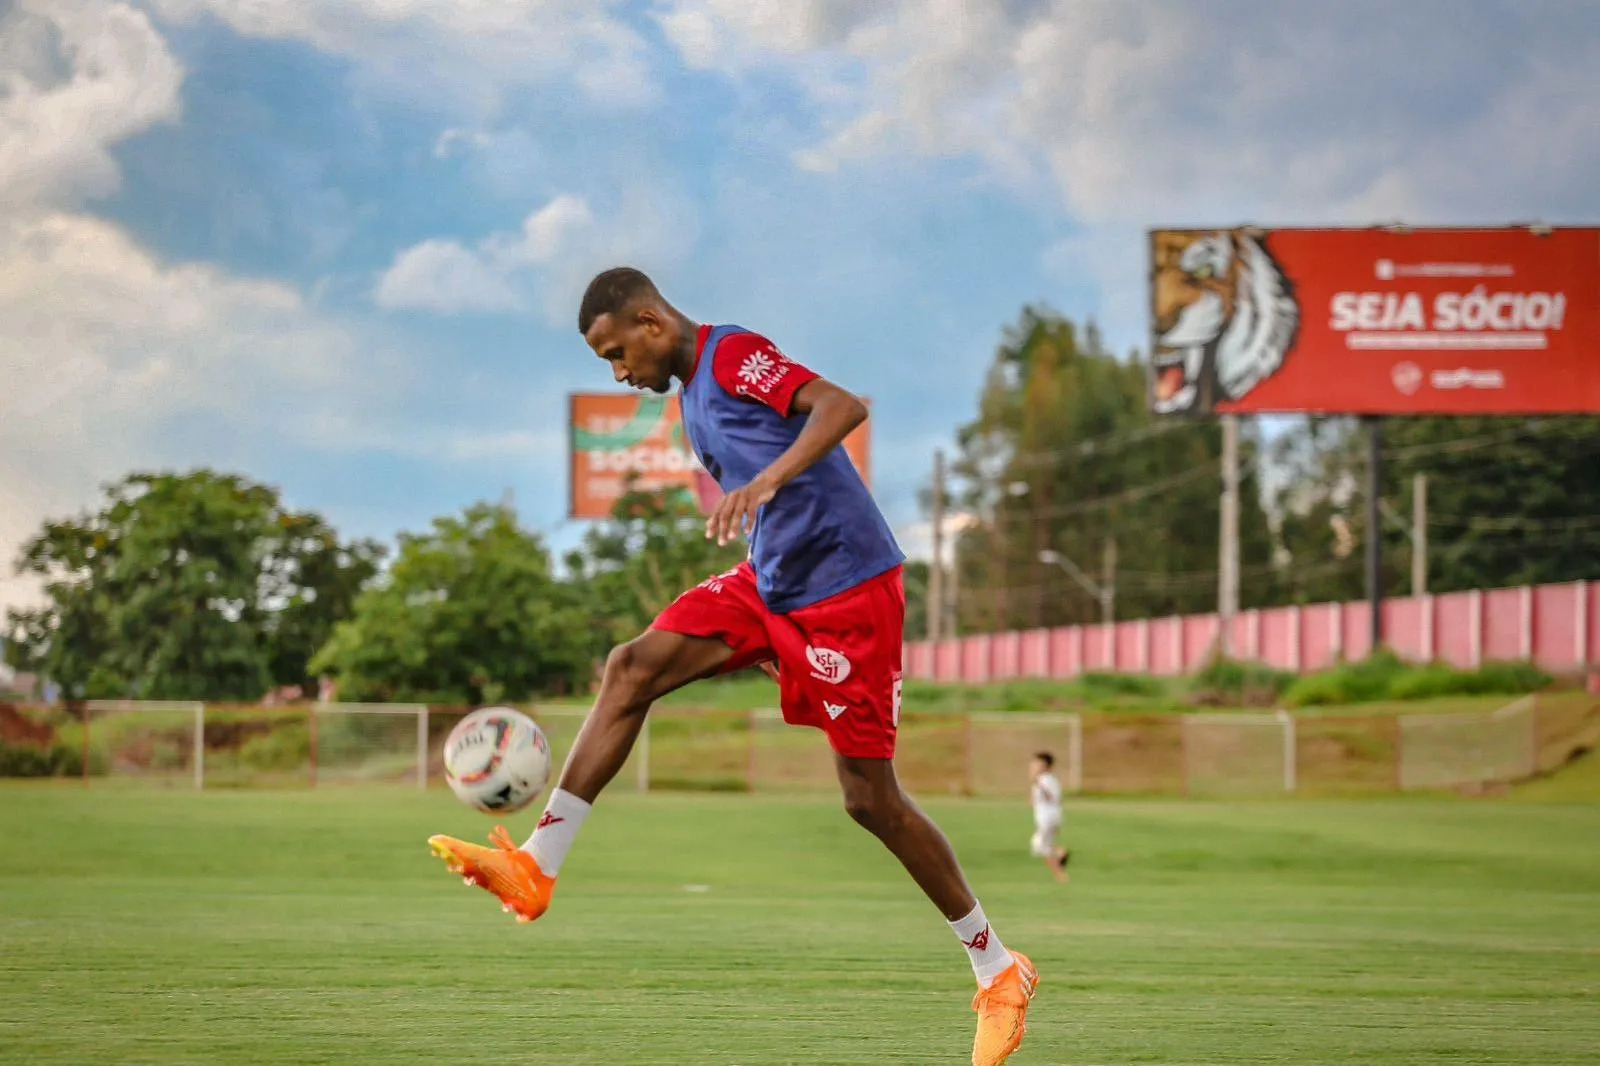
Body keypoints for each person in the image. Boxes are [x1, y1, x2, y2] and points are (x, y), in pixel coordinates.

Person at [427, 268, 1039, 1065]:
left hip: (847, 596)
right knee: (631, 668)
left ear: (651, 321)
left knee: (869, 800)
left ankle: (999, 970)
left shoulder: (732, 355)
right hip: (770, 584)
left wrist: (767, 479)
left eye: (617, 353)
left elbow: (841, 406)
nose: (619, 373)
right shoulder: (691, 396)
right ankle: (536, 869)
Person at [1029, 752, 1070, 883]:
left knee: (1039, 847)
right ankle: (1059, 869)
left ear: (1044, 765)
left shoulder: (1044, 780)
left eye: (1037, 764)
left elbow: (1050, 796)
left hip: (1047, 818)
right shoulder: (1051, 780)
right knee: (1045, 846)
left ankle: (1061, 867)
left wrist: (1037, 783)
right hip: (1052, 817)